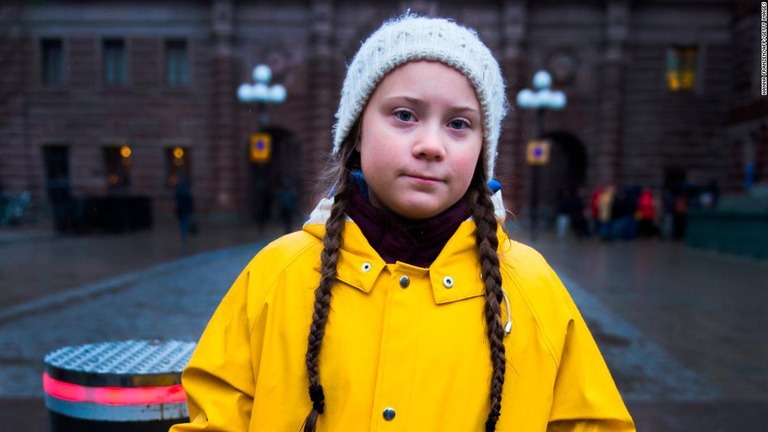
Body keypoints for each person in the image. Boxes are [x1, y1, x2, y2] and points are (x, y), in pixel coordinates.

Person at [170, 14, 634, 432]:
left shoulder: (532, 291)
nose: (431, 144)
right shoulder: (278, 275)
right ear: (357, 131)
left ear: (481, 151)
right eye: (405, 115)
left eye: (459, 124)